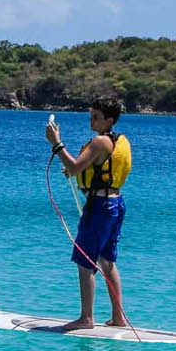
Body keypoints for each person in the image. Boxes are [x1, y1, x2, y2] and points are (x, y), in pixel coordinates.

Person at [47, 101, 132, 330]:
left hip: (100, 207)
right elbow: (86, 167)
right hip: (116, 204)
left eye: (96, 117)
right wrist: (76, 168)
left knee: (85, 262)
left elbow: (74, 167)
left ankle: (86, 318)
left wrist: (56, 144)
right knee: (107, 261)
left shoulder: (99, 142)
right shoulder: (117, 141)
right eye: (91, 116)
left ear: (109, 121)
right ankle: (118, 318)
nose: (91, 121)